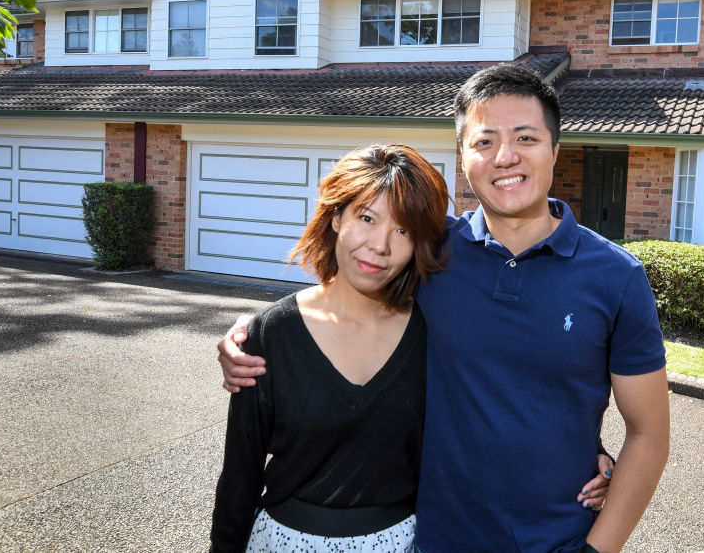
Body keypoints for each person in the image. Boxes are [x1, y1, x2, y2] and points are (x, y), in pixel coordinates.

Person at [219, 65, 670, 553]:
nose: (505, 156)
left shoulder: (617, 277)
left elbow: (648, 433)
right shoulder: (434, 252)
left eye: (525, 137)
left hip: (558, 541)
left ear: (555, 149)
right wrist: (251, 333)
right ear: (462, 155)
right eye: (484, 141)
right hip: (431, 538)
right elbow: (348, 291)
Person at [210, 144, 449, 551]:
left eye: (403, 229)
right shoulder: (271, 334)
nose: (380, 245)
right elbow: (240, 473)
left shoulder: (435, 334)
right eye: (367, 217)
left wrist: (591, 451)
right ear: (336, 216)